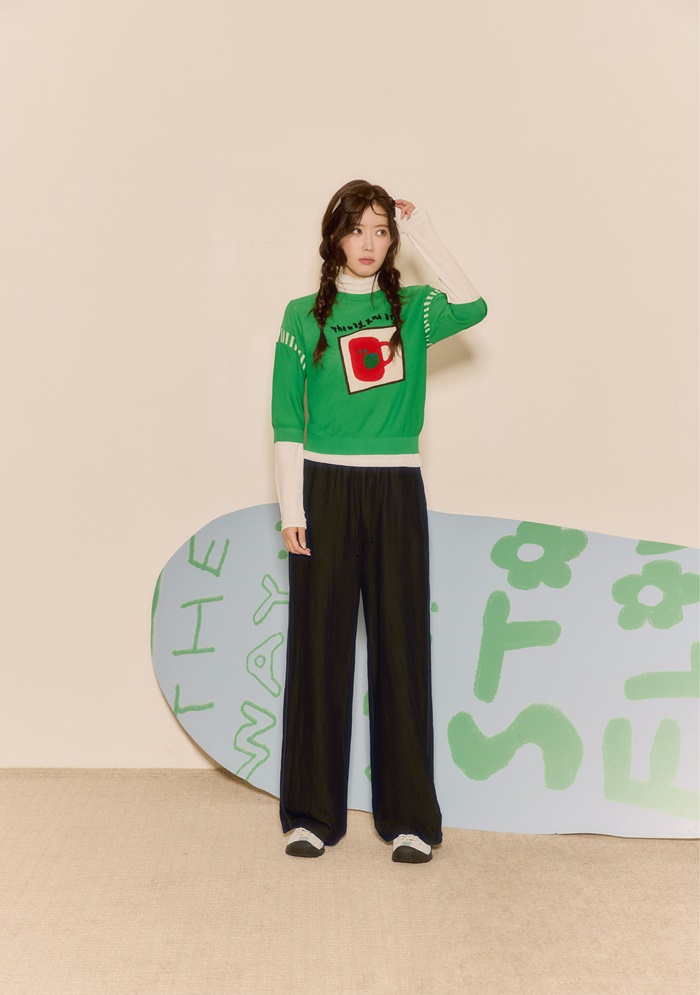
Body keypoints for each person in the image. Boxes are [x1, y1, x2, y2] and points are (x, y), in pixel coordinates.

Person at [271, 179, 487, 862]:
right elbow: (286, 417)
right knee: (319, 649)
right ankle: (311, 814)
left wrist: (424, 231)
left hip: (395, 487)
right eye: (356, 229)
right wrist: (291, 507)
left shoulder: (414, 308)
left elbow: (473, 304)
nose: (368, 243)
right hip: (324, 489)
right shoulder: (302, 315)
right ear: (334, 236)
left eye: (381, 230)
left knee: (401, 646)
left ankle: (411, 819)